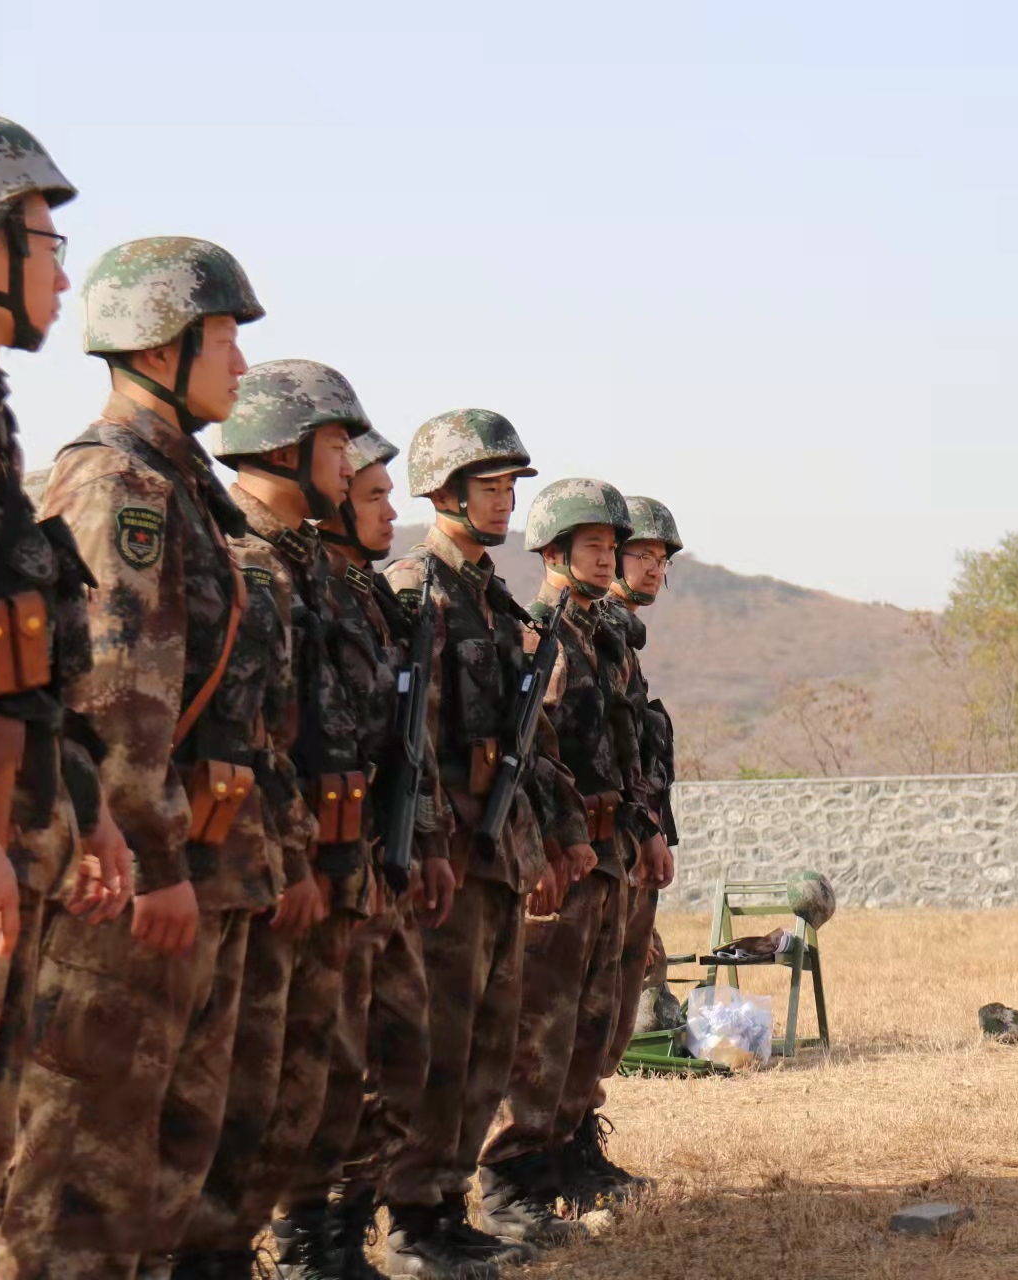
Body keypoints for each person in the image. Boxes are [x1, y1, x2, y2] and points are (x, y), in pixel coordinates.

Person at [0, 237, 284, 1280]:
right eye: (226, 340)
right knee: (83, 1179)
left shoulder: (179, 485)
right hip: (128, 877)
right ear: (164, 346)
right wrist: (155, 860)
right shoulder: (120, 485)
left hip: (182, 861)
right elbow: (119, 696)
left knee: (161, 1167)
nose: (242, 368)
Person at [0, 111, 132, 1258]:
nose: (63, 271)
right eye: (44, 237)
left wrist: (92, 808)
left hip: (16, 832)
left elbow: (29, 663)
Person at [381, 410, 591, 1273]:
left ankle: (447, 1202)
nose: (508, 500)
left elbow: (528, 747)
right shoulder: (413, 589)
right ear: (444, 491)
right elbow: (407, 743)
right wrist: (426, 843)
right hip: (448, 855)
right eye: (491, 485)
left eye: (512, 486)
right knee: (434, 1042)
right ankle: (410, 1221)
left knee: (486, 1041)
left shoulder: (494, 602)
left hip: (498, 851)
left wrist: (547, 837)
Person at [175, 360, 369, 1276]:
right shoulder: (241, 555)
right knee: (211, 1099)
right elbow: (246, 737)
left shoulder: (306, 568)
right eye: (336, 445)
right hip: (227, 863)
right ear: (288, 449)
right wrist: (291, 858)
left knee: (275, 1096)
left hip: (288, 859)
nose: (348, 464)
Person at [276, 423, 457, 1280]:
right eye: (375, 495)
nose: (394, 512)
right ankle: (310, 1238)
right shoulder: (302, 585)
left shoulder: (371, 598)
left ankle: (349, 1226)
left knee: (400, 1054)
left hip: (377, 860)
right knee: (324, 1066)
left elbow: (402, 746)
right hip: (319, 862)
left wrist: (421, 840)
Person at [478, 478, 651, 1237]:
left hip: (606, 849)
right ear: (551, 550)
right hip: (563, 855)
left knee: (592, 1017)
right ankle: (516, 1176)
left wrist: (641, 832)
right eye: (593, 545)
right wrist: (548, 845)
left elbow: (624, 750)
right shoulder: (538, 632)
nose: (609, 557)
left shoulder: (597, 635)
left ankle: (566, 1156)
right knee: (541, 1026)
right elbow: (533, 755)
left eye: (613, 545)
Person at [581, 495, 680, 1197]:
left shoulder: (621, 638)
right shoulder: (586, 630)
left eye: (661, 560)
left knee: (606, 1013)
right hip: (594, 846)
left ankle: (576, 1143)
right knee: (576, 1011)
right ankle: (550, 1154)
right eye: (642, 554)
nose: (652, 569)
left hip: (627, 843)